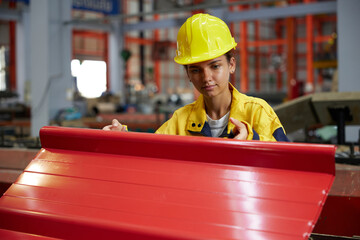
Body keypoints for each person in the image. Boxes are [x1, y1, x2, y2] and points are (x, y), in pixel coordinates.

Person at [103, 13, 289, 142]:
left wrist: (252, 139)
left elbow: (287, 161)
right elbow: (151, 149)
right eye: (196, 70)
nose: (206, 77)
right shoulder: (181, 120)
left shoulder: (258, 112)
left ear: (231, 65)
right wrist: (122, 136)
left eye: (215, 66)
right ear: (188, 74)